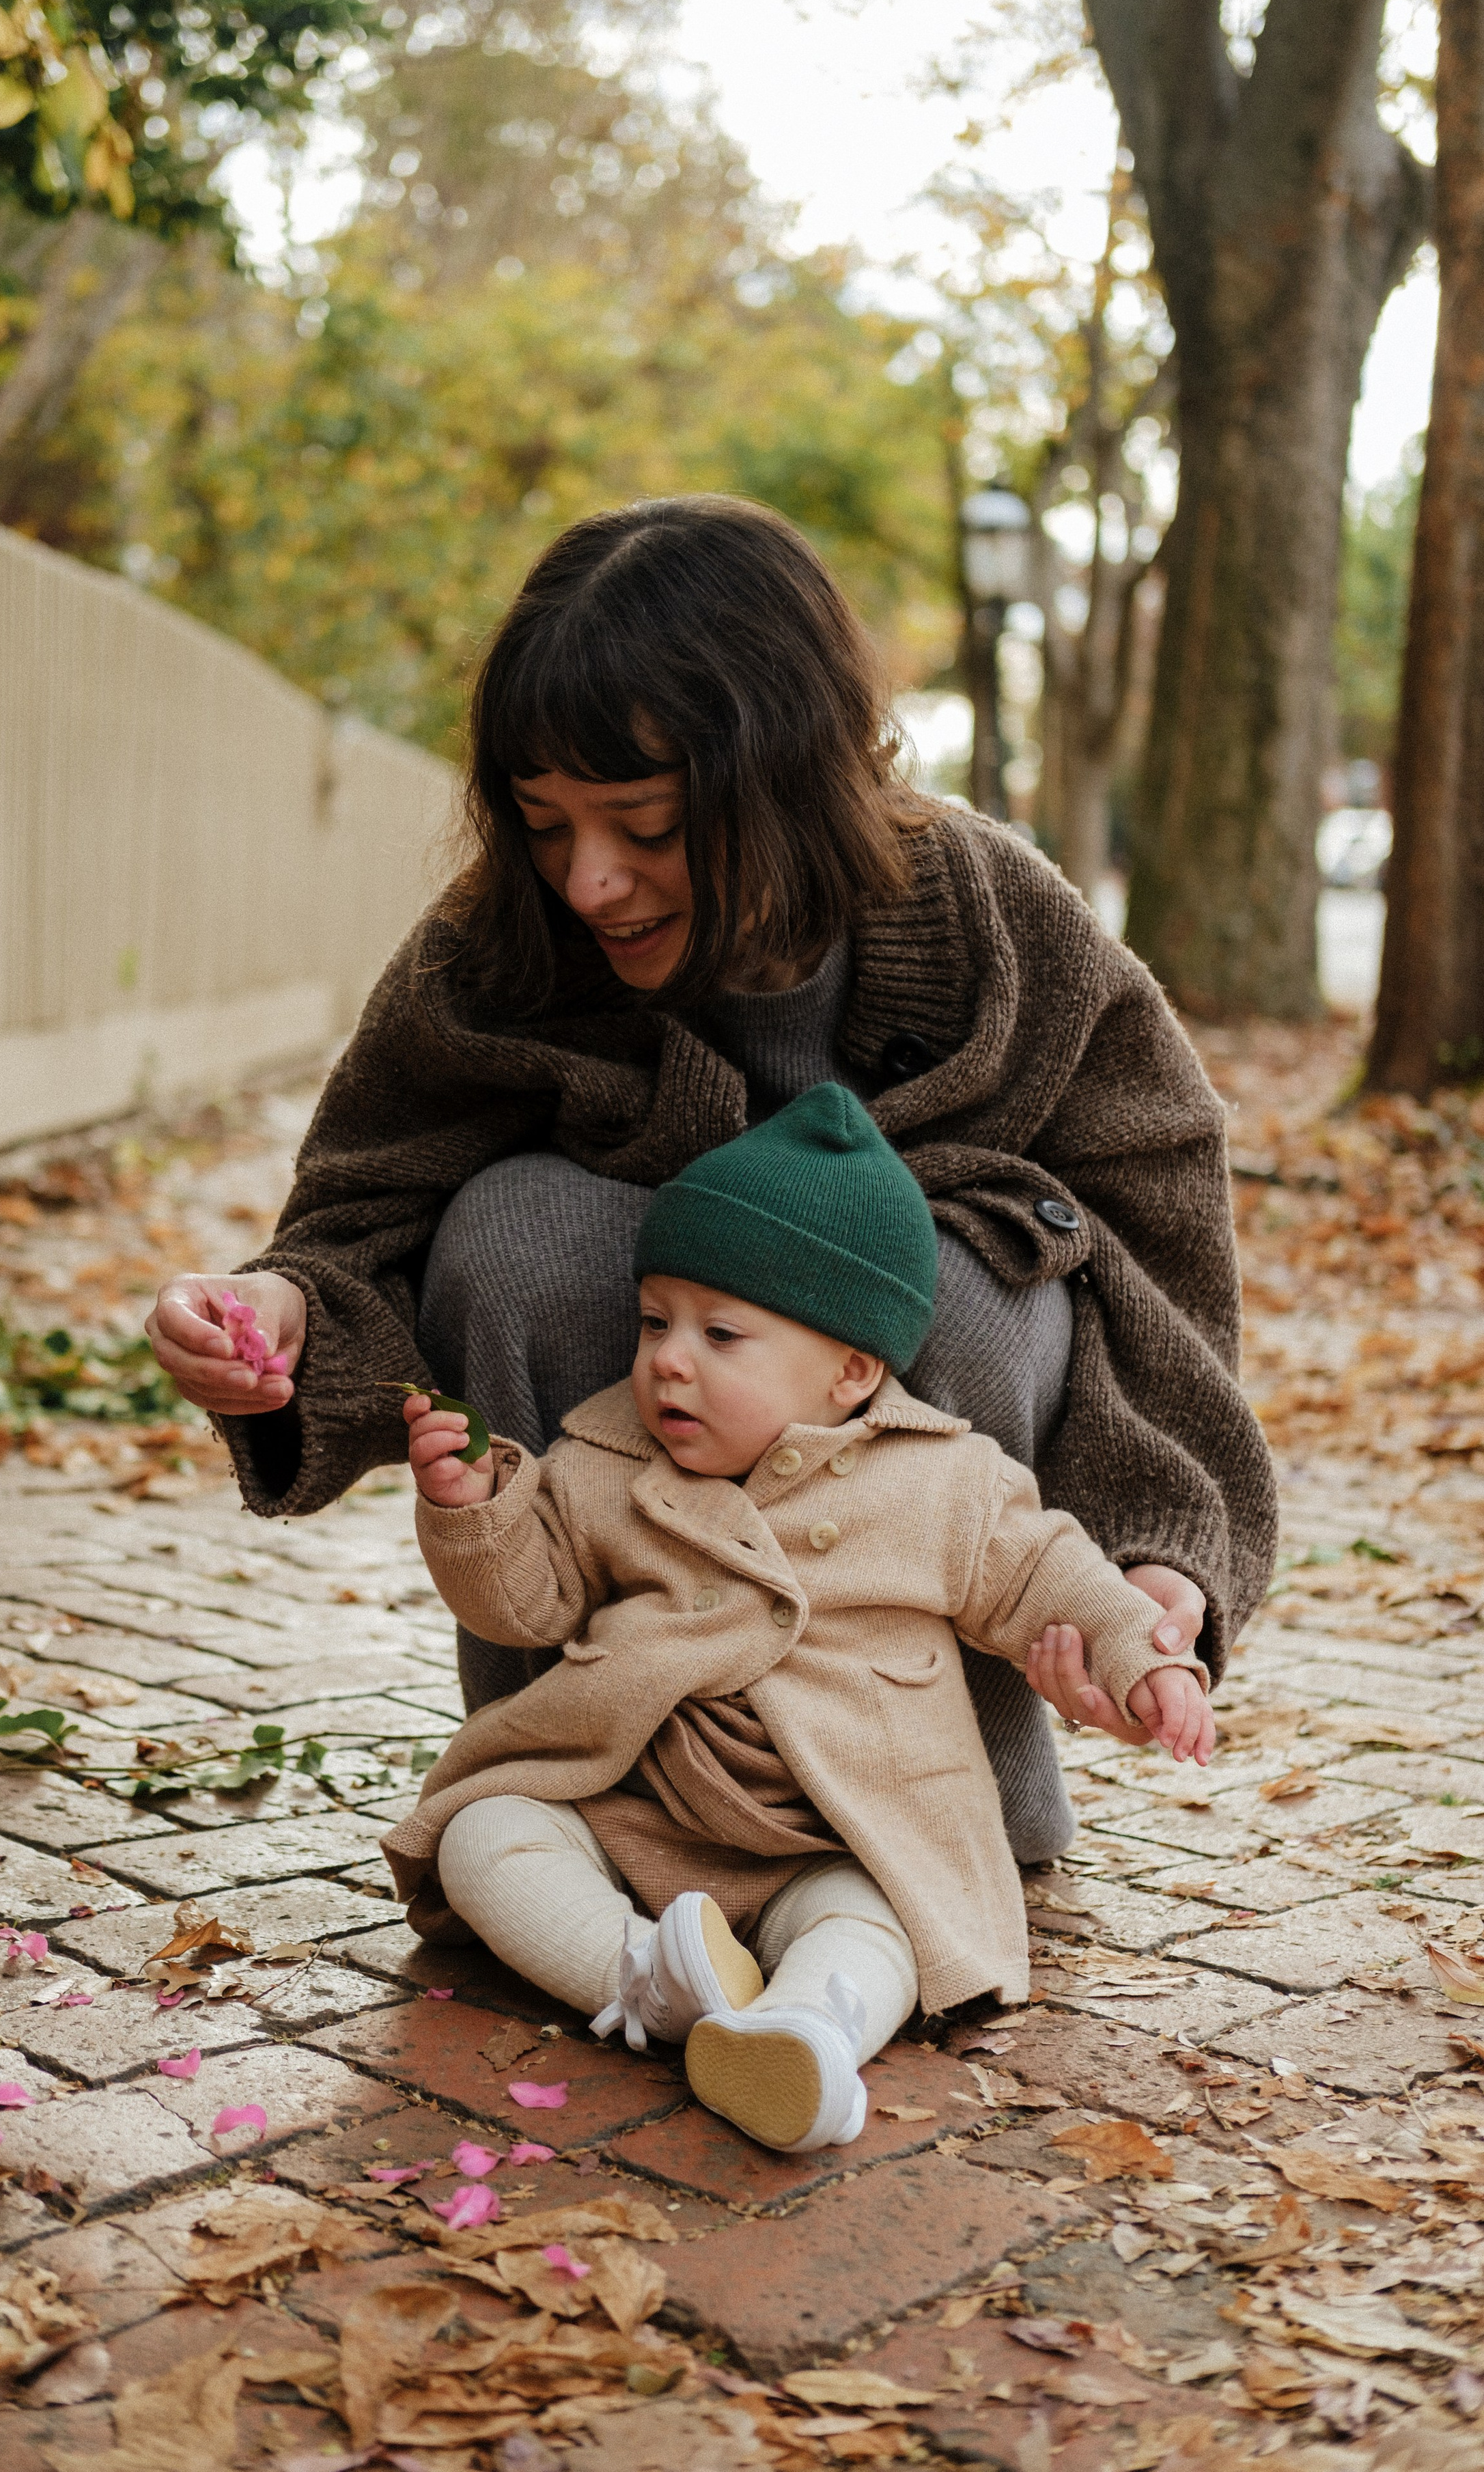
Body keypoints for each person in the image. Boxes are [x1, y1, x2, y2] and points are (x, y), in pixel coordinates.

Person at [145, 494, 1274, 1867]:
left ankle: (947, 1799)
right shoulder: (499, 948)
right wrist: (279, 1312)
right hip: (604, 1468)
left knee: (964, 1290)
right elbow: (364, 1205)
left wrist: (1152, 1551)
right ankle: (561, 1778)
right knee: (513, 1234)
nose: (590, 882)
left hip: (939, 1441)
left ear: (790, 779)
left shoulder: (993, 917)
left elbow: (1151, 1236)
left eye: (641, 824)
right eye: (543, 824)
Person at [384, 1088, 1213, 2156]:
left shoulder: (943, 1482)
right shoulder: (605, 1457)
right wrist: (474, 1510)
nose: (668, 1361)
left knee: (884, 1929)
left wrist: (1148, 1664)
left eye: (721, 1334)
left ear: (852, 1370)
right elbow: (526, 1601)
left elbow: (1053, 1573)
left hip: (839, 1830)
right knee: (484, 1838)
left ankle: (808, 2027)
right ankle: (646, 1982)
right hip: (639, 1814)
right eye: (654, 1321)